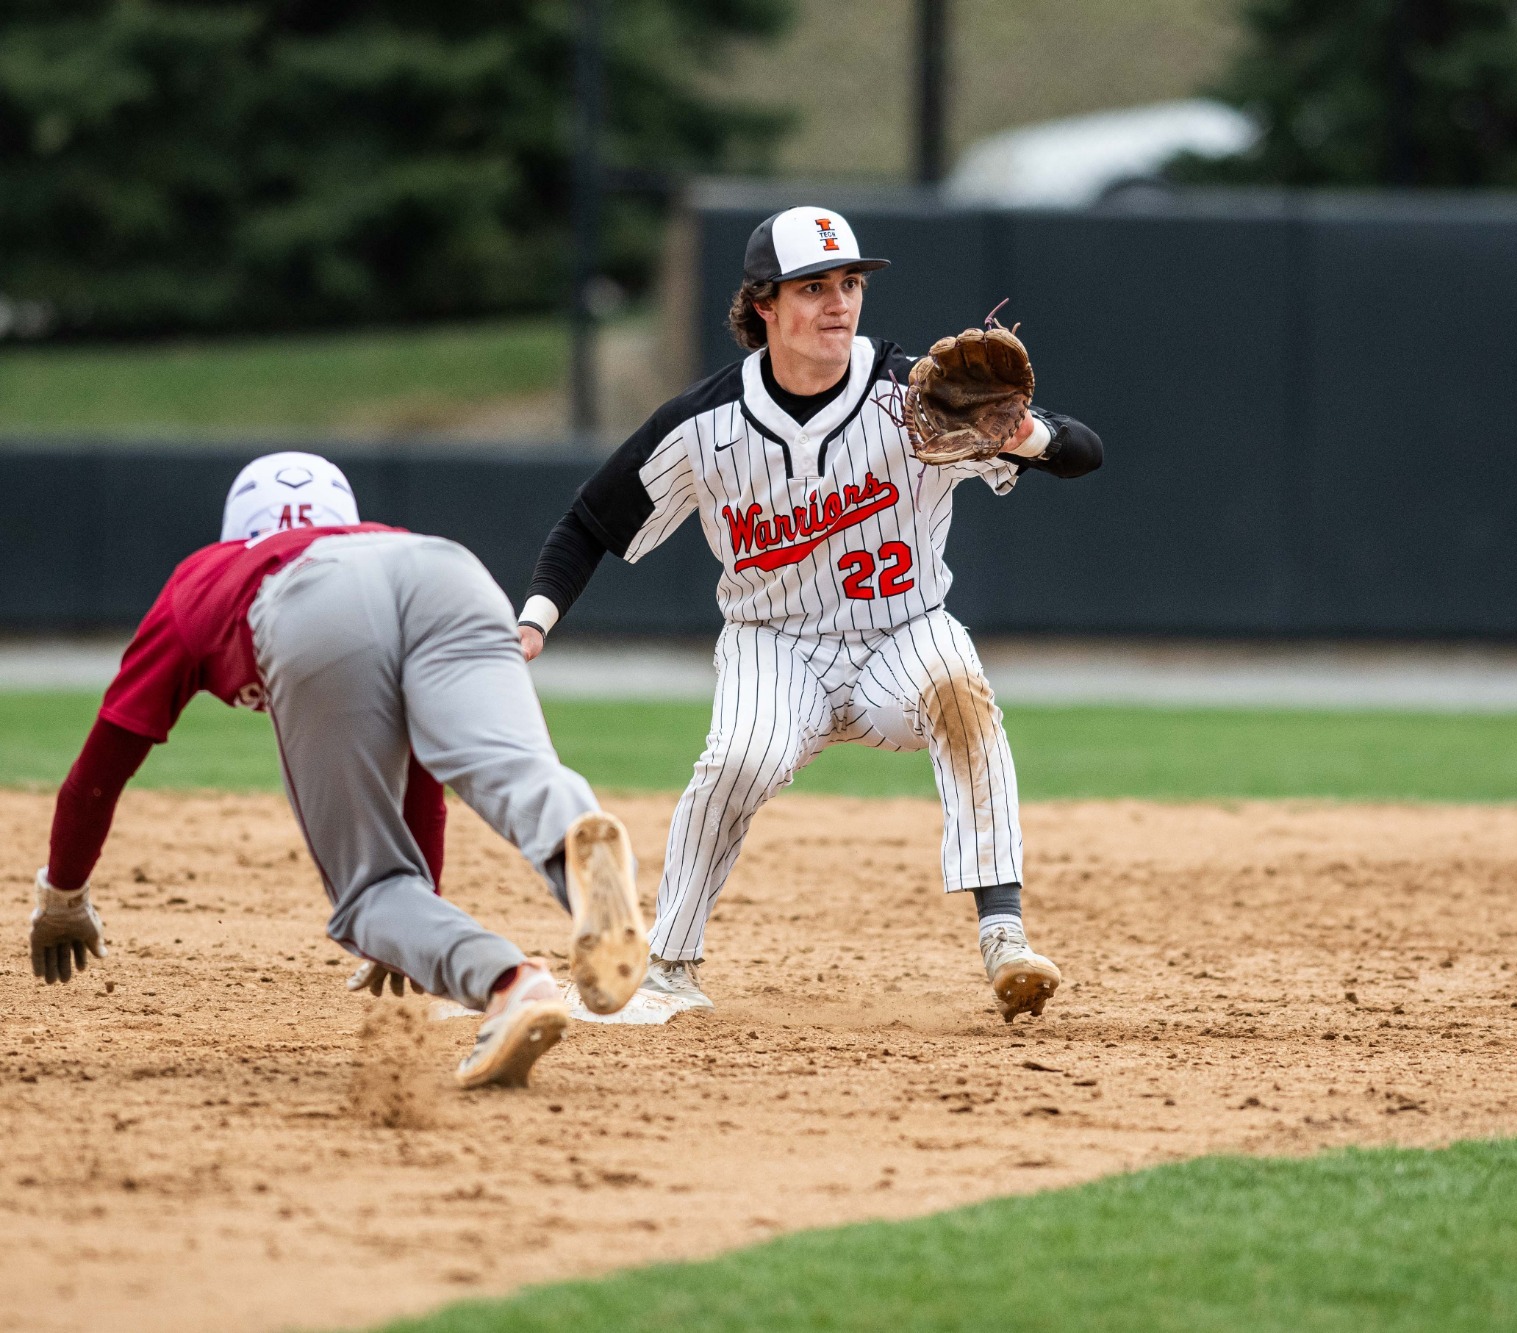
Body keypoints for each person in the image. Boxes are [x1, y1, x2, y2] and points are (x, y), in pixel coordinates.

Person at [516, 207, 1104, 1024]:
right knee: (739, 757)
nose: (840, 302)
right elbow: (589, 523)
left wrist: (1025, 434)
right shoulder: (703, 424)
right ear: (763, 303)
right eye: (814, 287)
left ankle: (1004, 936)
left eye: (851, 283)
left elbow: (1084, 452)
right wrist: (536, 619)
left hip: (904, 630)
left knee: (959, 691)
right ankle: (670, 965)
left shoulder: (914, 397)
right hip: (774, 643)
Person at [28, 452, 648, 1088]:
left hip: (311, 599)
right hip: (446, 570)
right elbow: (417, 771)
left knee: (370, 894)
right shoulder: (372, 536)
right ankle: (574, 841)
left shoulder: (208, 574)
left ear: (239, 526)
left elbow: (102, 764)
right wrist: (421, 911)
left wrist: (64, 893)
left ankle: (512, 984)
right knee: (512, 768)